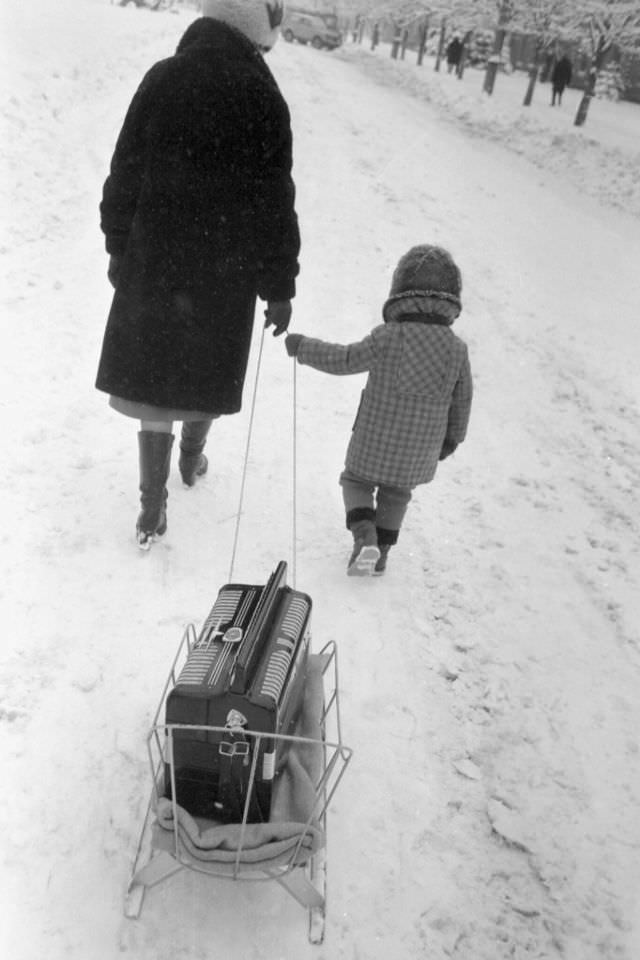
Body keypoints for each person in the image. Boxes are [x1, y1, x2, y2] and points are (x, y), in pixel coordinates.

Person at [95, 0, 300, 549]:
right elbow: (274, 199)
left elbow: (125, 168)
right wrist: (279, 282)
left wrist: (119, 244)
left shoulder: (162, 77)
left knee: (154, 373)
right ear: (257, 33)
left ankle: (151, 506)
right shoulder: (264, 97)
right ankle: (191, 458)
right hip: (224, 264)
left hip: (156, 255)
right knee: (204, 363)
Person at [285, 245, 473, 576]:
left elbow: (345, 360)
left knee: (355, 481)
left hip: (375, 438)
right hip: (420, 447)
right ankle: (382, 552)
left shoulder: (389, 336)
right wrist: (452, 438)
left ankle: (364, 536)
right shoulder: (456, 349)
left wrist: (303, 347)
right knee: (397, 492)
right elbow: (463, 398)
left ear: (399, 292)